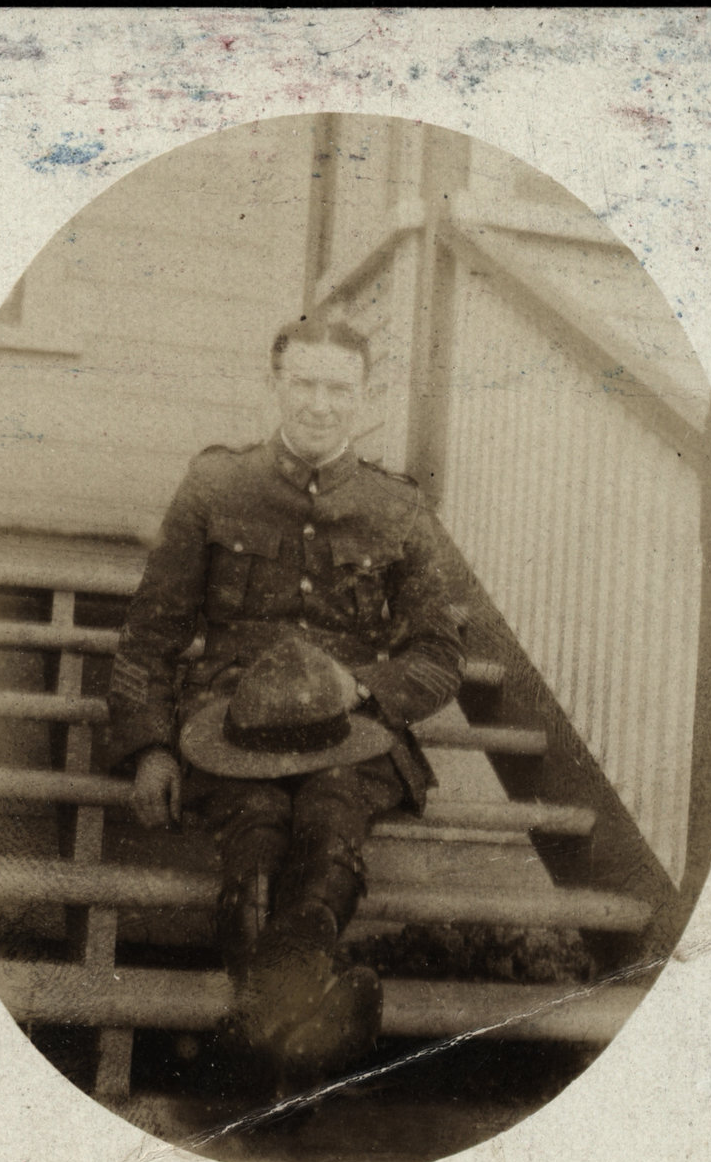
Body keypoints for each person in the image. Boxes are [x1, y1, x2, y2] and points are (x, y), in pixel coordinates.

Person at [105, 315, 473, 1090]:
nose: (318, 404)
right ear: (273, 385)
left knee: (331, 823)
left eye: (337, 388)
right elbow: (151, 633)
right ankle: (302, 1043)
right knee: (258, 830)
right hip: (226, 724)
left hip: (355, 731)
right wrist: (150, 747)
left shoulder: (397, 508)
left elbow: (439, 656)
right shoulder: (217, 484)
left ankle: (260, 1047)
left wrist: (361, 686)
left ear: (363, 398)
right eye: (302, 383)